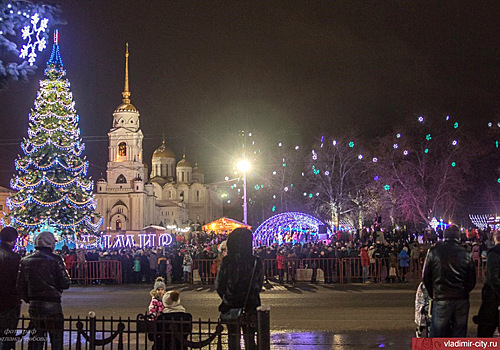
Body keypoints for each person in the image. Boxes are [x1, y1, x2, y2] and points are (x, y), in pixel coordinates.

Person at [17, 231, 71, 350]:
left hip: (34, 304)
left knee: (36, 338)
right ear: (50, 244)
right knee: (56, 339)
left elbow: (20, 286)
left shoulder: (25, 260)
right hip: (53, 303)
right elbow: (65, 283)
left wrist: (30, 298)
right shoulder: (56, 259)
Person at [422, 225, 476, 337]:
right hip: (461, 298)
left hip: (441, 297)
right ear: (458, 237)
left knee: (438, 335)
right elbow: (471, 279)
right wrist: (464, 291)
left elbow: (426, 277)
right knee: (459, 334)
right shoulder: (466, 253)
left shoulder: (434, 251)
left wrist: (433, 293)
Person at [216, 228, 264, 350]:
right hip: (250, 305)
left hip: (231, 305)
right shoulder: (255, 262)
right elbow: (258, 284)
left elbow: (219, 284)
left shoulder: (228, 261)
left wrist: (227, 296)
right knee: (250, 338)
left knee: (233, 339)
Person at [474, 230, 500, 336]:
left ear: (495, 239)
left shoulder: (494, 253)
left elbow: (492, 277)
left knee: (485, 330)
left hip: (493, 297)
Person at [0, 227, 20, 350]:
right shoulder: (14, 257)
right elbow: (18, 281)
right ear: (13, 240)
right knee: (7, 334)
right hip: (9, 301)